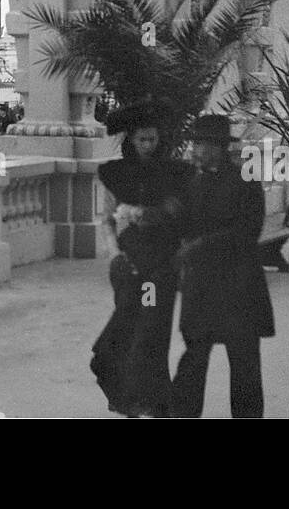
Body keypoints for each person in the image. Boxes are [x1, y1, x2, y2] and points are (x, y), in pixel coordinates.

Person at [92, 99, 192, 418]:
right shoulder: (116, 175)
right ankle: (128, 393)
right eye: (142, 139)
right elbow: (106, 219)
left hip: (160, 265)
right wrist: (115, 255)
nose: (149, 145)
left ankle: (152, 398)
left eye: (153, 138)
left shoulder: (173, 173)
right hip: (129, 263)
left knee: (154, 328)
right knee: (130, 324)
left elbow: (182, 215)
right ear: (131, 141)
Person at [169, 115, 273, 418]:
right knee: (193, 362)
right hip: (201, 288)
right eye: (195, 143)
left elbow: (248, 233)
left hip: (238, 288)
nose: (196, 150)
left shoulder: (246, 181)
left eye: (203, 144)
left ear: (219, 148)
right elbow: (180, 227)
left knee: (244, 368)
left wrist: (200, 246)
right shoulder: (189, 182)